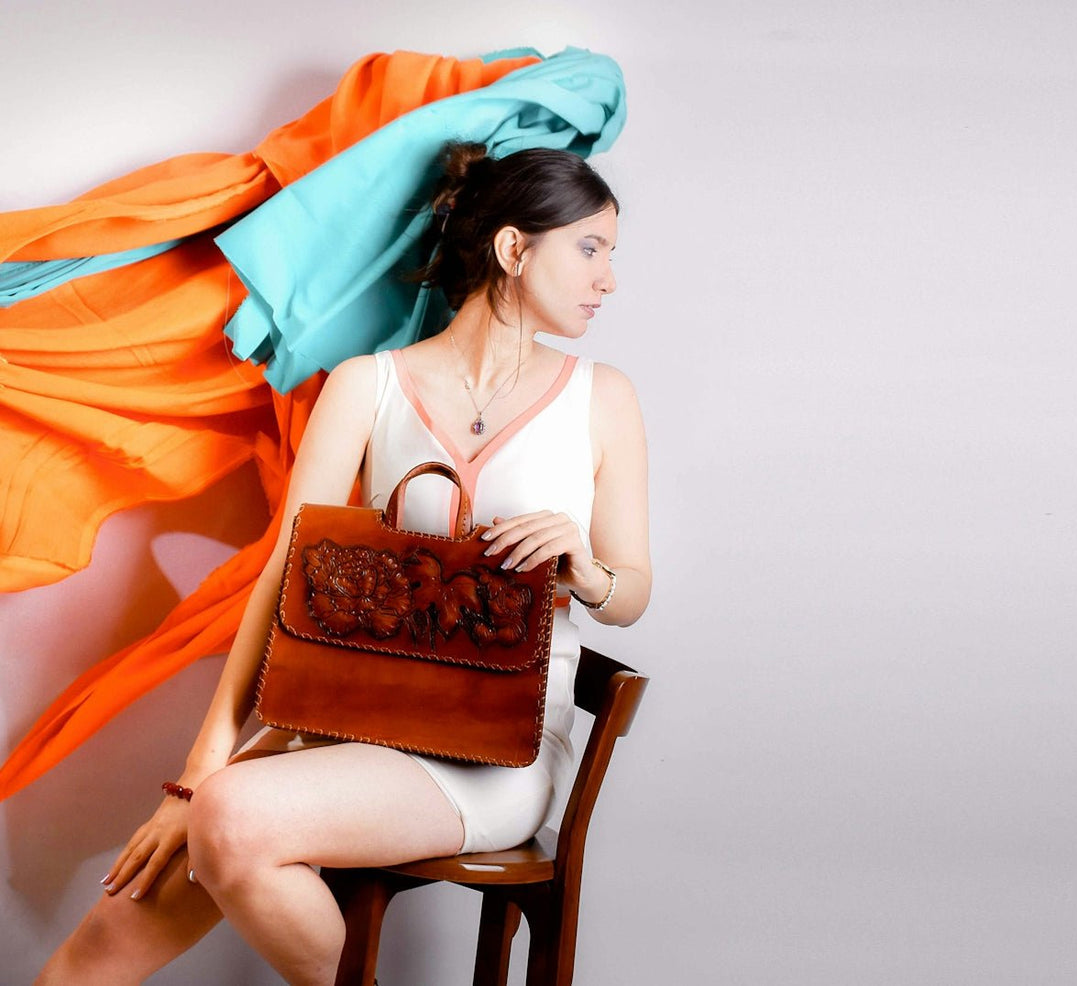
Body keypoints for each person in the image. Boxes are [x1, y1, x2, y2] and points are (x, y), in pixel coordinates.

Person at [35, 142, 651, 986]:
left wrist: (588, 570)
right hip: (354, 718)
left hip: (496, 754)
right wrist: (198, 769)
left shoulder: (603, 398)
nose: (609, 278)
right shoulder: (369, 385)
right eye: (592, 248)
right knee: (103, 944)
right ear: (514, 250)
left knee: (231, 819)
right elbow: (285, 575)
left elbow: (631, 596)